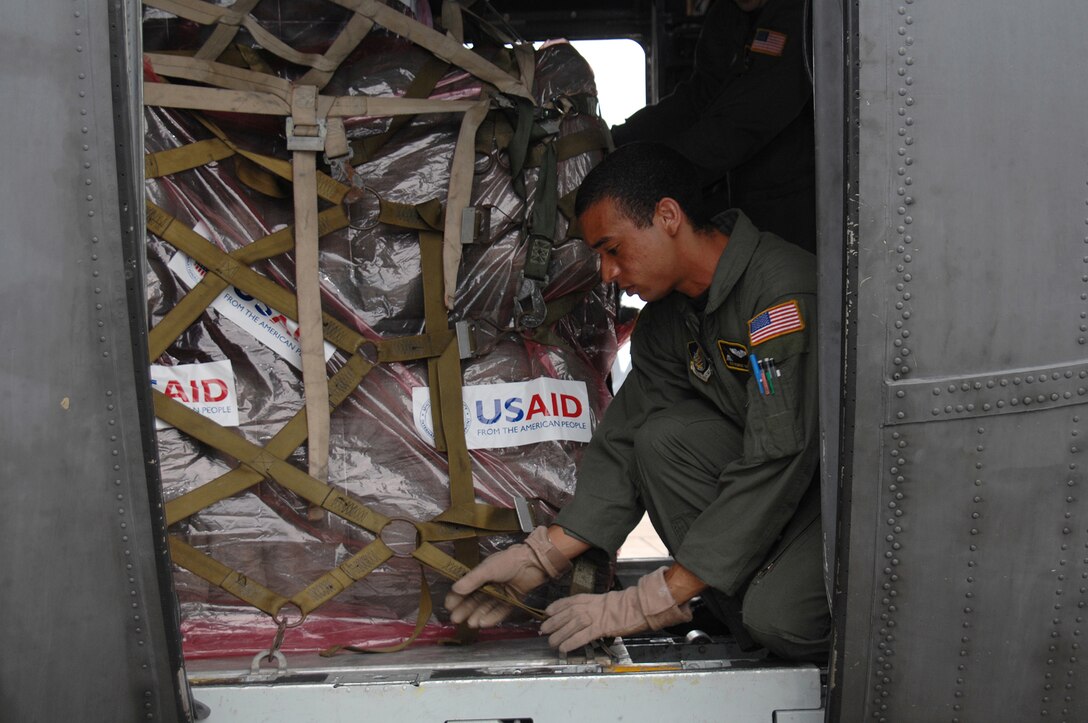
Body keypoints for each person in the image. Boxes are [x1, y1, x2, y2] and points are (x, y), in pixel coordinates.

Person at [445, 142, 830, 661]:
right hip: (786, 493)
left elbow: (779, 455)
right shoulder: (672, 318)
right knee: (660, 440)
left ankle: (774, 624)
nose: (607, 274)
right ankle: (741, 610)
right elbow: (625, 440)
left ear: (667, 216)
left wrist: (649, 602)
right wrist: (539, 557)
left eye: (612, 249)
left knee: (779, 619)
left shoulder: (780, 295)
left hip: (840, 498)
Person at [611, 0, 816, 253]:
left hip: (796, 218)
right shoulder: (727, 14)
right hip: (742, 211)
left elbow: (743, 122)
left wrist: (649, 176)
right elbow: (698, 98)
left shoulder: (805, 14)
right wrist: (615, 142)